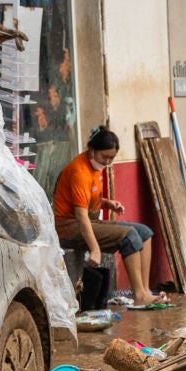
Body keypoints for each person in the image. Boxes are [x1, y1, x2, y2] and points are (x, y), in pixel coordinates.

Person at [52, 127, 164, 309]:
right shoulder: (79, 172)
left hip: (90, 220)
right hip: (69, 227)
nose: (108, 161)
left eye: (112, 158)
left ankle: (145, 291)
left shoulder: (95, 166)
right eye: (105, 157)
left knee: (145, 232)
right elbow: (80, 216)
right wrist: (95, 249)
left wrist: (107, 203)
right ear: (92, 150)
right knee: (129, 236)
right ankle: (139, 295)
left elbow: (87, 198)